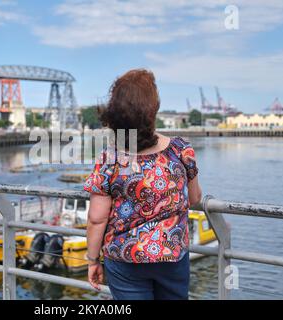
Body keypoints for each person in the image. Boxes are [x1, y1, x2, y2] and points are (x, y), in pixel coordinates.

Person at [83, 69, 202, 300]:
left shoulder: (110, 159)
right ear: (153, 109)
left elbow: (97, 218)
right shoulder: (181, 149)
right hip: (172, 255)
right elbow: (195, 198)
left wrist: (92, 260)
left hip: (124, 258)